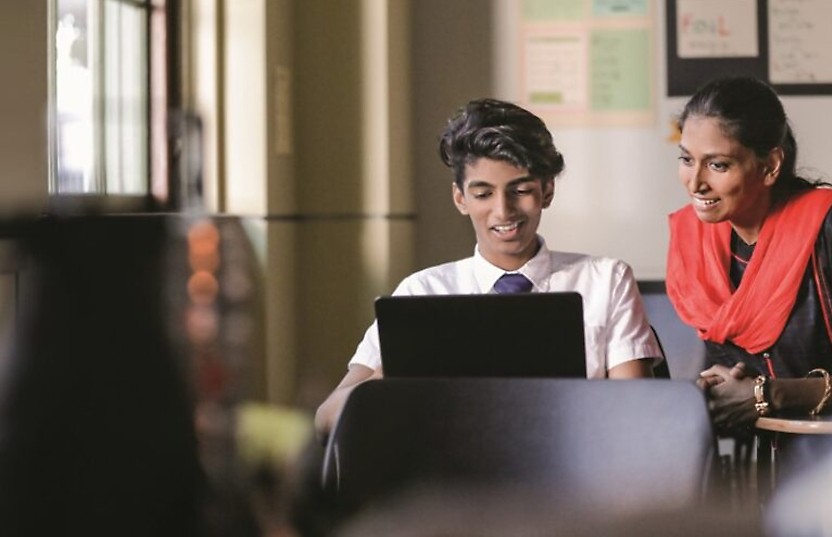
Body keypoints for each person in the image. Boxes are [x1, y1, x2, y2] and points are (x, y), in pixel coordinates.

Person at [314, 98, 661, 438]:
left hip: (575, 476)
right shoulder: (421, 293)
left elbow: (634, 414)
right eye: (483, 195)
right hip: (452, 481)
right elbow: (327, 418)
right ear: (460, 199)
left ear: (547, 190)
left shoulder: (605, 281)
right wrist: (401, 368)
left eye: (521, 190)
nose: (503, 211)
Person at [666, 76, 832, 436]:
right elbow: (731, 371)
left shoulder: (824, 228)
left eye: (718, 165)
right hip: (769, 470)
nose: (695, 183)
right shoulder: (696, 239)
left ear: (770, 165)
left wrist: (767, 393)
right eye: (687, 159)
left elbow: (758, 390)